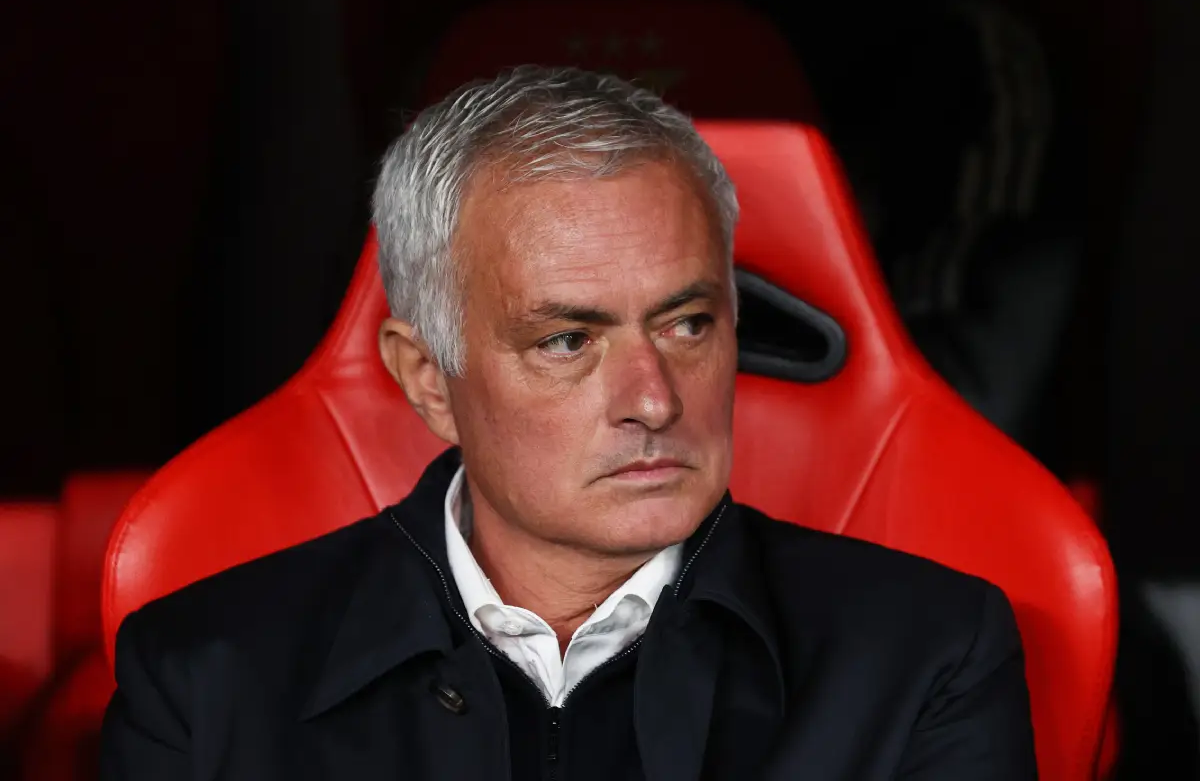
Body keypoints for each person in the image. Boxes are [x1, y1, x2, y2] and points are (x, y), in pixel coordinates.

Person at [100, 66, 1037, 780]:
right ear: (429, 379)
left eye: (688, 324)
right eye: (565, 342)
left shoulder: (930, 653)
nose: (655, 400)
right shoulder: (201, 677)